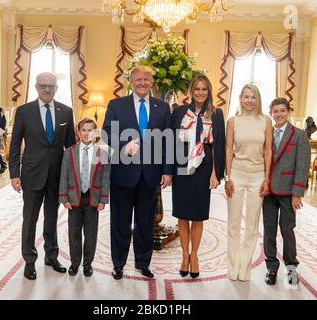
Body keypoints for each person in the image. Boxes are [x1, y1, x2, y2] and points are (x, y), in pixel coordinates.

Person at [102, 65, 173, 280]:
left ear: (151, 82)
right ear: (131, 82)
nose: (142, 83)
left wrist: (168, 171)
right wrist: (124, 146)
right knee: (120, 222)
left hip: (150, 175)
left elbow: (168, 140)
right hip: (123, 173)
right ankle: (119, 264)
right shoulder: (116, 105)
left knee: (145, 222)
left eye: (146, 79)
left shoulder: (162, 108)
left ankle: (143, 262)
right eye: (138, 79)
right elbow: (105, 134)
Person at [9, 72, 76, 280]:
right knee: (30, 219)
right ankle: (29, 260)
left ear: (56, 88)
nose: (47, 89)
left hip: (56, 175)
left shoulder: (66, 111)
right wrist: (14, 174)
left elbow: (71, 147)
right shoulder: (24, 111)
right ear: (36, 87)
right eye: (43, 86)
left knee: (52, 217)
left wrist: (71, 177)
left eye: (51, 86)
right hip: (31, 174)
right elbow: (15, 145)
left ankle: (51, 256)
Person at [171, 74, 225, 278]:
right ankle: (185, 256)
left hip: (204, 166)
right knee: (183, 214)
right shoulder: (179, 112)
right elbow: (171, 141)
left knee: (198, 215)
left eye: (204, 89)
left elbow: (218, 145)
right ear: (191, 91)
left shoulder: (216, 113)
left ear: (209, 91)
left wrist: (215, 174)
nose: (200, 93)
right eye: (197, 89)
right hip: (183, 164)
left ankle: (195, 256)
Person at [225, 84, 272, 281]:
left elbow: (268, 150)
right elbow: (228, 149)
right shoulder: (233, 121)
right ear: (240, 98)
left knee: (252, 225)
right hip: (236, 173)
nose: (249, 100)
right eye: (246, 97)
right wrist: (227, 177)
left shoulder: (265, 121)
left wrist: (266, 179)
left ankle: (245, 267)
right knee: (234, 223)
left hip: (257, 175)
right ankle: (233, 267)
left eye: (253, 97)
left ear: (258, 99)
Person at [263, 97, 311, 285]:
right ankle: (271, 268)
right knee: (269, 230)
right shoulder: (267, 133)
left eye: (282, 110)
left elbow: (302, 165)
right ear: (271, 113)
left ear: (288, 111)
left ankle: (291, 268)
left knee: (287, 229)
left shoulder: (299, 135)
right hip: (269, 192)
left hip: (288, 192)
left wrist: (297, 193)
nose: (279, 114)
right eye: (275, 111)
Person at [59, 118, 110, 277]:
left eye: (90, 130)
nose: (87, 133)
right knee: (73, 232)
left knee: (91, 233)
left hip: (92, 199)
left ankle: (88, 264)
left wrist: (103, 199)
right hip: (74, 198)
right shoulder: (69, 152)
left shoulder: (102, 153)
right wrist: (64, 197)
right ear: (78, 132)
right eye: (83, 130)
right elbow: (64, 175)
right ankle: (75, 263)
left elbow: (105, 178)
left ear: (95, 133)